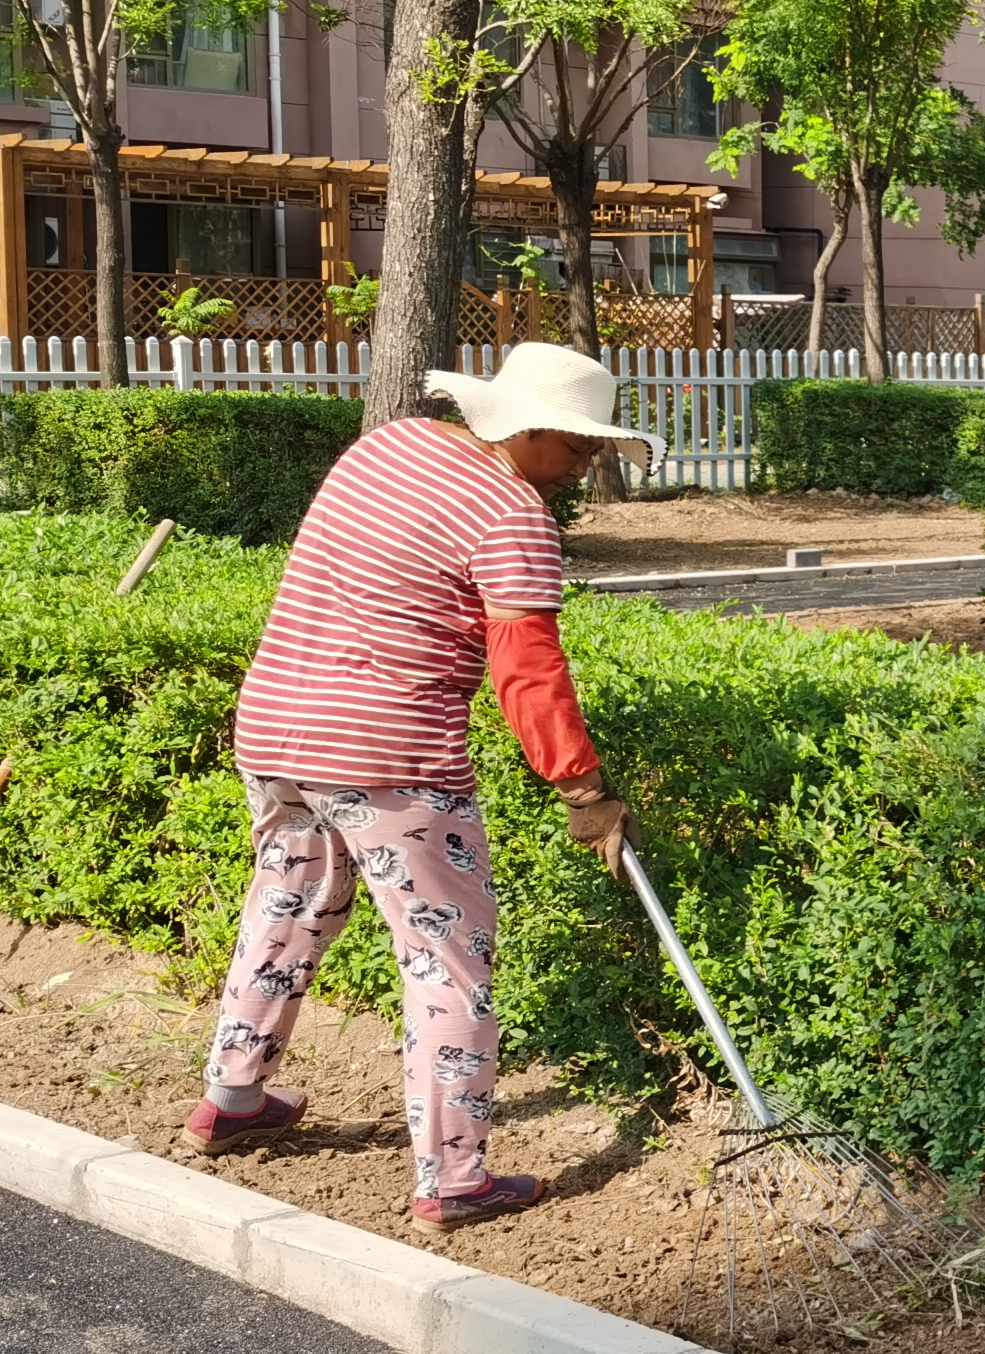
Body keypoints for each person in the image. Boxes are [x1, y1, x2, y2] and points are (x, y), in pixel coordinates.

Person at [193, 344, 655, 1224]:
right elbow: (528, 669)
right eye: (578, 444)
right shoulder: (513, 515)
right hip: (391, 760)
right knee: (448, 956)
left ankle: (235, 1099)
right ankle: (453, 1179)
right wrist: (583, 790)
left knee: (288, 908)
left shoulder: (392, 445)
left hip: (278, 731)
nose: (587, 462)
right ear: (523, 426)